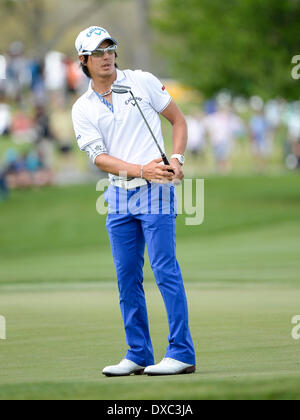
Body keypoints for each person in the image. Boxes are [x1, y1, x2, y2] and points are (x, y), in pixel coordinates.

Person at [72, 26, 196, 376]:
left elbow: (178, 120)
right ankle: (138, 352)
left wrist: (178, 159)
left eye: (110, 49)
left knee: (164, 270)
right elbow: (100, 159)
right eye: (98, 52)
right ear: (84, 60)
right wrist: (141, 169)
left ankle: (181, 352)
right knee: (127, 277)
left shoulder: (140, 81)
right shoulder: (82, 108)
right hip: (118, 196)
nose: (107, 56)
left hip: (157, 189)